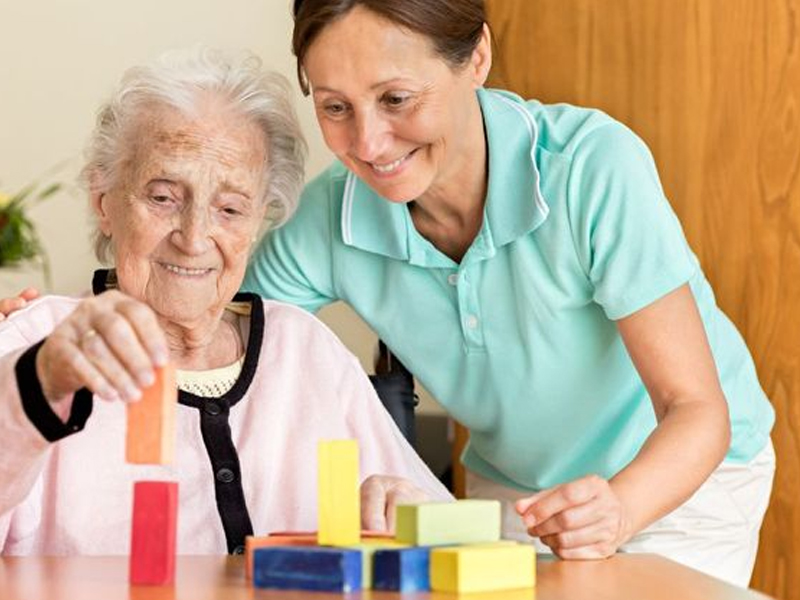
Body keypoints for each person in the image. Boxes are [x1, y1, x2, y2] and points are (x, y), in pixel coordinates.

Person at [1, 1, 776, 586]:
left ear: (476, 57)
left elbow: (696, 410)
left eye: (396, 99)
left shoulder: (589, 168)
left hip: (678, 476)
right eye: (335, 107)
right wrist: (47, 331)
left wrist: (622, 511)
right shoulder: (331, 219)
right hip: (515, 490)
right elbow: (190, 296)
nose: (368, 144)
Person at [0, 48, 450, 557]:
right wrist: (33, 389)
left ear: (260, 219)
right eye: (163, 197)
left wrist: (413, 517)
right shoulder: (37, 343)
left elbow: (444, 529)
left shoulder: (304, 350)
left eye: (230, 208)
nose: (194, 238)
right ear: (104, 202)